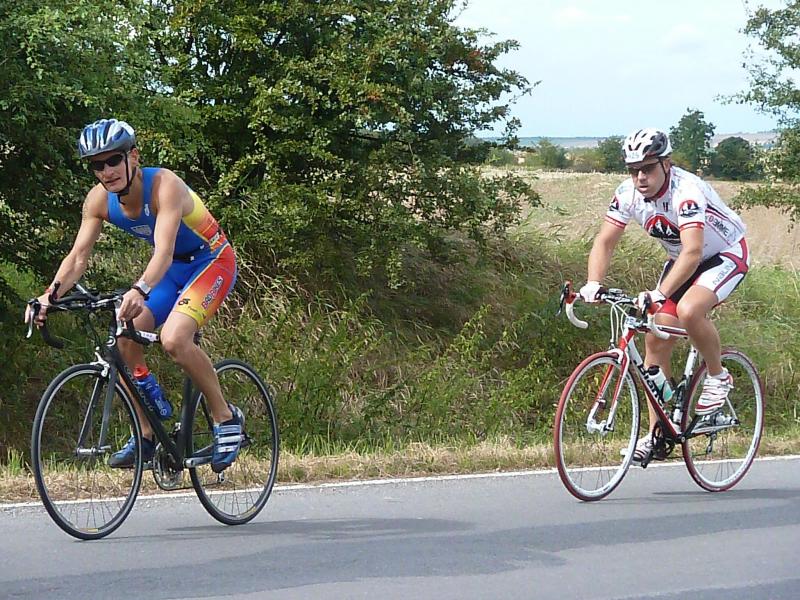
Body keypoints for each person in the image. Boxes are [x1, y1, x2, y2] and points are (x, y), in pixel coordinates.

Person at [24, 118, 243, 472]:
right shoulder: (98, 200)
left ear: (134, 157)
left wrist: (140, 288)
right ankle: (146, 433)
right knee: (123, 334)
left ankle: (225, 417)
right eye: (97, 165)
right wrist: (50, 295)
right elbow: (78, 257)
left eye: (113, 160)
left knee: (174, 339)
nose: (106, 171)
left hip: (212, 261)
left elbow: (163, 252)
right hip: (172, 271)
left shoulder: (165, 186)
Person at [578, 128, 749, 462]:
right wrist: (593, 283)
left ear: (666, 164)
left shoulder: (686, 191)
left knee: (689, 311)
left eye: (648, 168)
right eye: (634, 170)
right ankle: (658, 434)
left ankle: (718, 376)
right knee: (655, 339)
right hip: (682, 261)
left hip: (724, 254)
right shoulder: (627, 193)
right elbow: (605, 241)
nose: (640, 177)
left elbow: (693, 251)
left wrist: (659, 292)